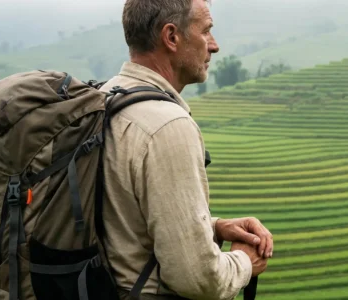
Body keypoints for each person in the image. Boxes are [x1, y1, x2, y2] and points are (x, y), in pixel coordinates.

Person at [98, 0, 272, 299]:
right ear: (172, 37)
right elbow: (197, 279)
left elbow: (122, 218)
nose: (214, 46)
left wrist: (214, 228)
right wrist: (245, 261)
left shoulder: (103, 97)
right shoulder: (167, 126)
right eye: (206, 31)